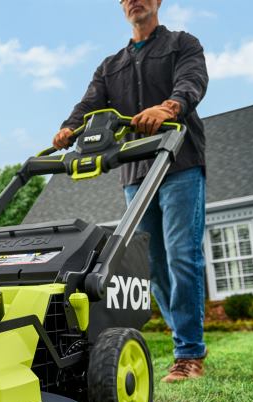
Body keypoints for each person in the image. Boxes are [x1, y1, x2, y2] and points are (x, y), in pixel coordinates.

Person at [52, 0, 209, 382]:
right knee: (151, 264)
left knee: (182, 255)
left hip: (180, 161)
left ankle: (189, 354)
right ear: (122, 6)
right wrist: (69, 128)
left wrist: (169, 107)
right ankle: (184, 339)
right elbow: (89, 104)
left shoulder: (182, 43)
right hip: (136, 172)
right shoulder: (111, 66)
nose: (134, 0)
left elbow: (191, 82)